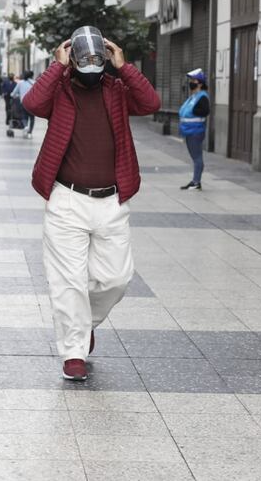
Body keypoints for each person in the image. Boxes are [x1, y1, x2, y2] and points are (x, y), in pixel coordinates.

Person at [23, 26, 160, 381]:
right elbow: (31, 104)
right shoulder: (61, 89)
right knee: (68, 282)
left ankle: (83, 325)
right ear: (73, 57)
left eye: (99, 57)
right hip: (66, 200)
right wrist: (56, 67)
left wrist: (124, 65)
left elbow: (151, 104)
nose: (92, 62)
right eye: (85, 57)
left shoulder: (116, 90)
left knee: (116, 278)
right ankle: (74, 352)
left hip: (111, 200)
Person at [179, 68, 210, 191]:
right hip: (189, 131)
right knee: (195, 157)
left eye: (194, 80)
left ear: (200, 83)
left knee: (197, 158)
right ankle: (195, 181)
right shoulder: (194, 96)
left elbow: (205, 111)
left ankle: (196, 182)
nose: (191, 82)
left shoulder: (202, 97)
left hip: (195, 132)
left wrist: (194, 111)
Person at [11, 71, 36, 138]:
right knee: (32, 118)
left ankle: (25, 126)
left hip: (23, 103)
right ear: (32, 76)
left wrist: (17, 95)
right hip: (32, 103)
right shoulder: (34, 83)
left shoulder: (20, 83)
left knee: (24, 116)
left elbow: (13, 94)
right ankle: (30, 133)